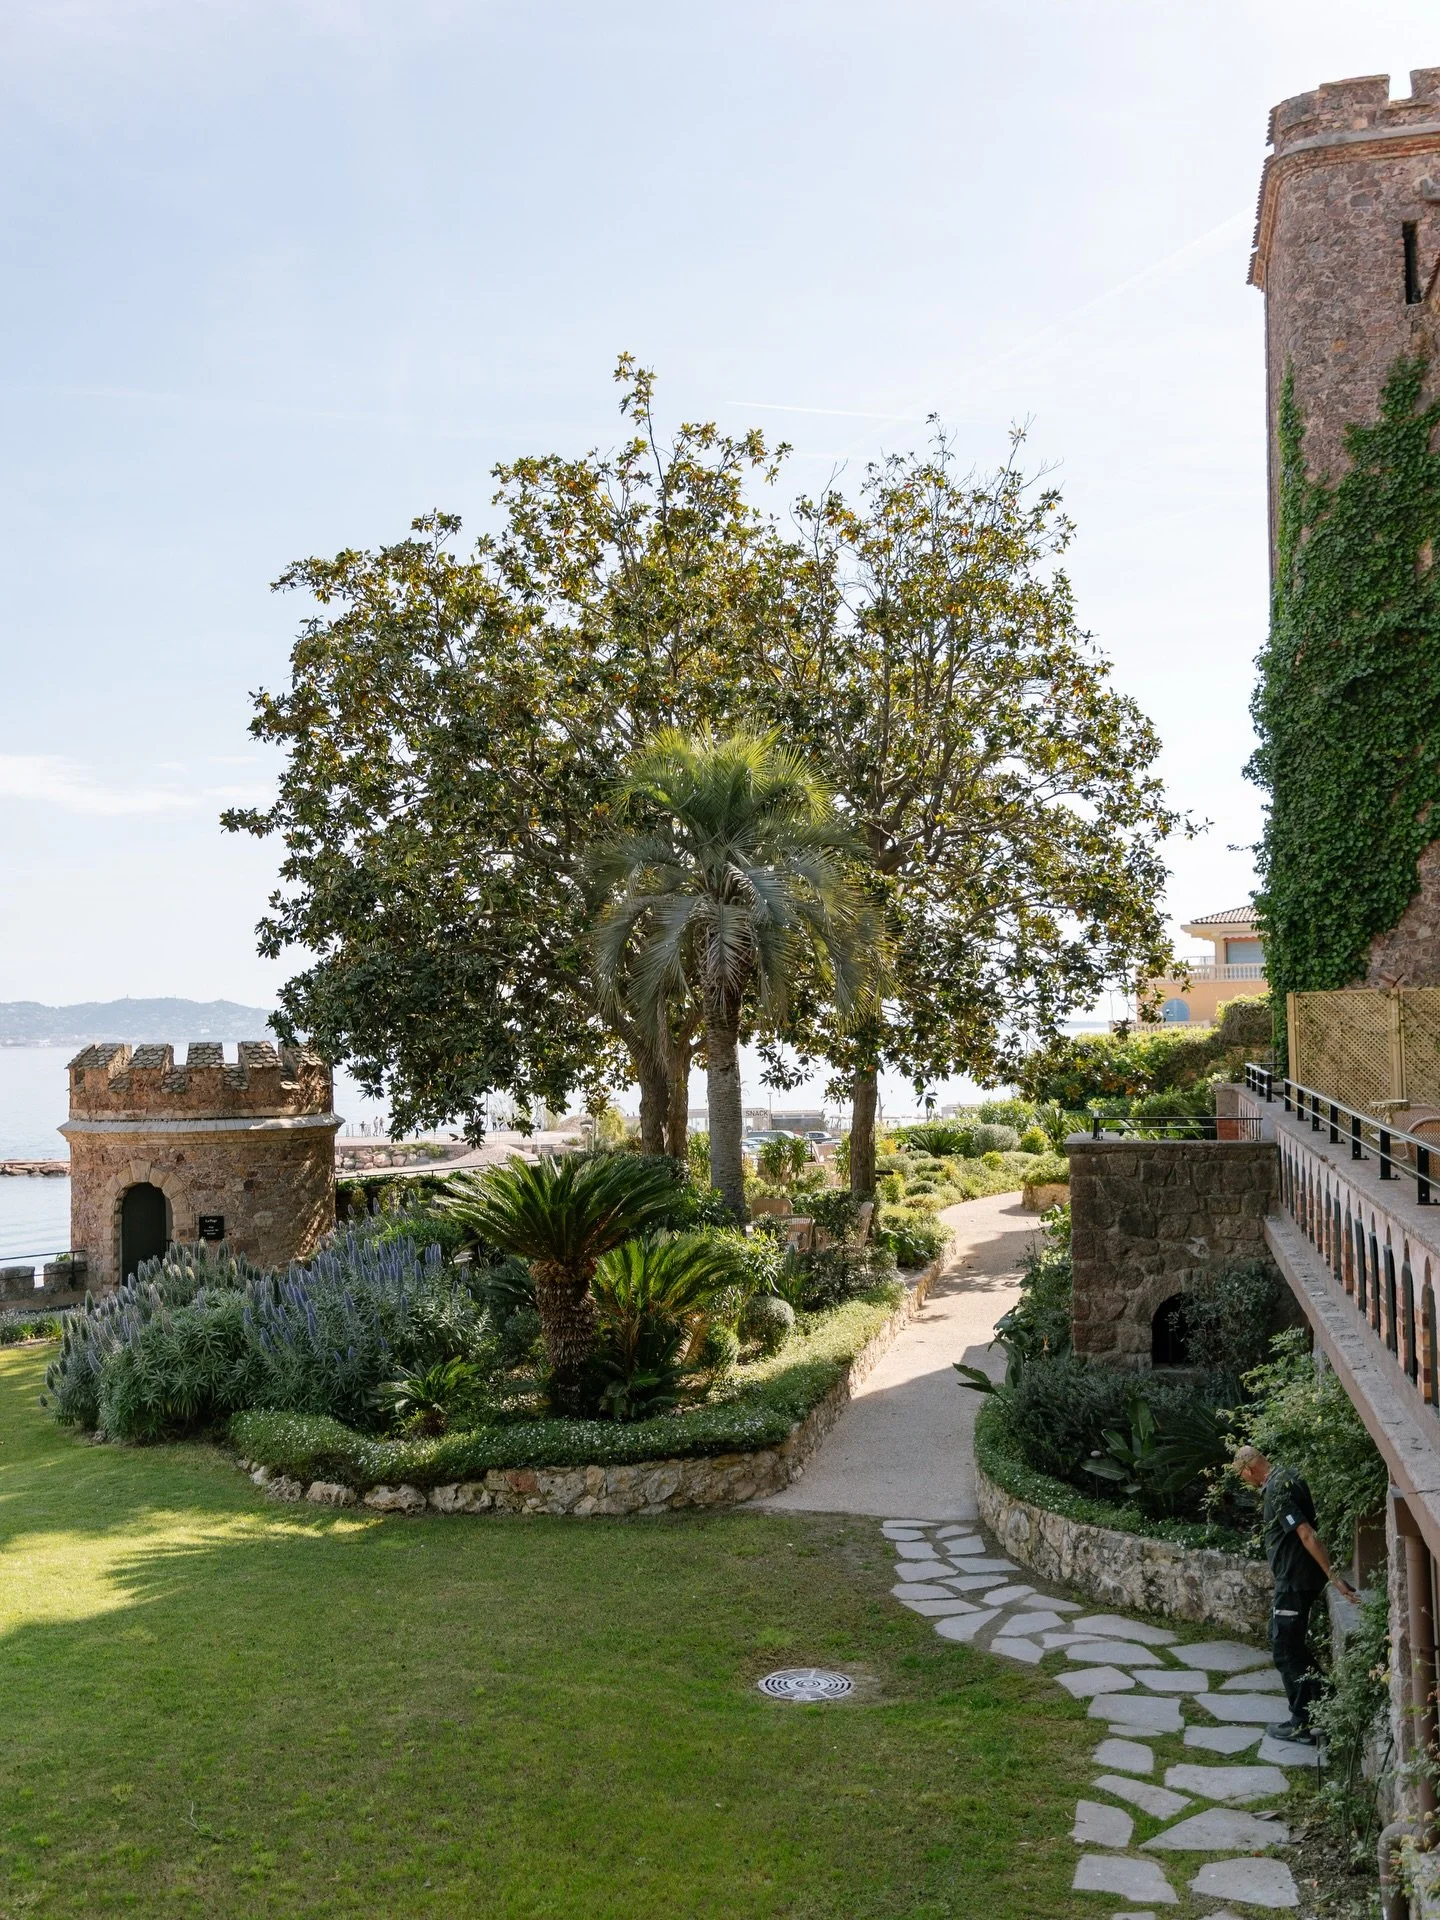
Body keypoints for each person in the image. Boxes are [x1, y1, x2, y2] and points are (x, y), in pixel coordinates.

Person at [1232, 1444, 1358, 1744]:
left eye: (1243, 1477)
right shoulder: (1288, 1476)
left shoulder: (1278, 1490)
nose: (1246, 1483)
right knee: (1287, 1643)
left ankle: (1303, 1722)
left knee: (1285, 1648)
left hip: (1295, 1581)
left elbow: (1306, 1533)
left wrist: (1334, 1577)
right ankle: (1327, 1703)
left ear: (1249, 1470)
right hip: (1296, 1580)